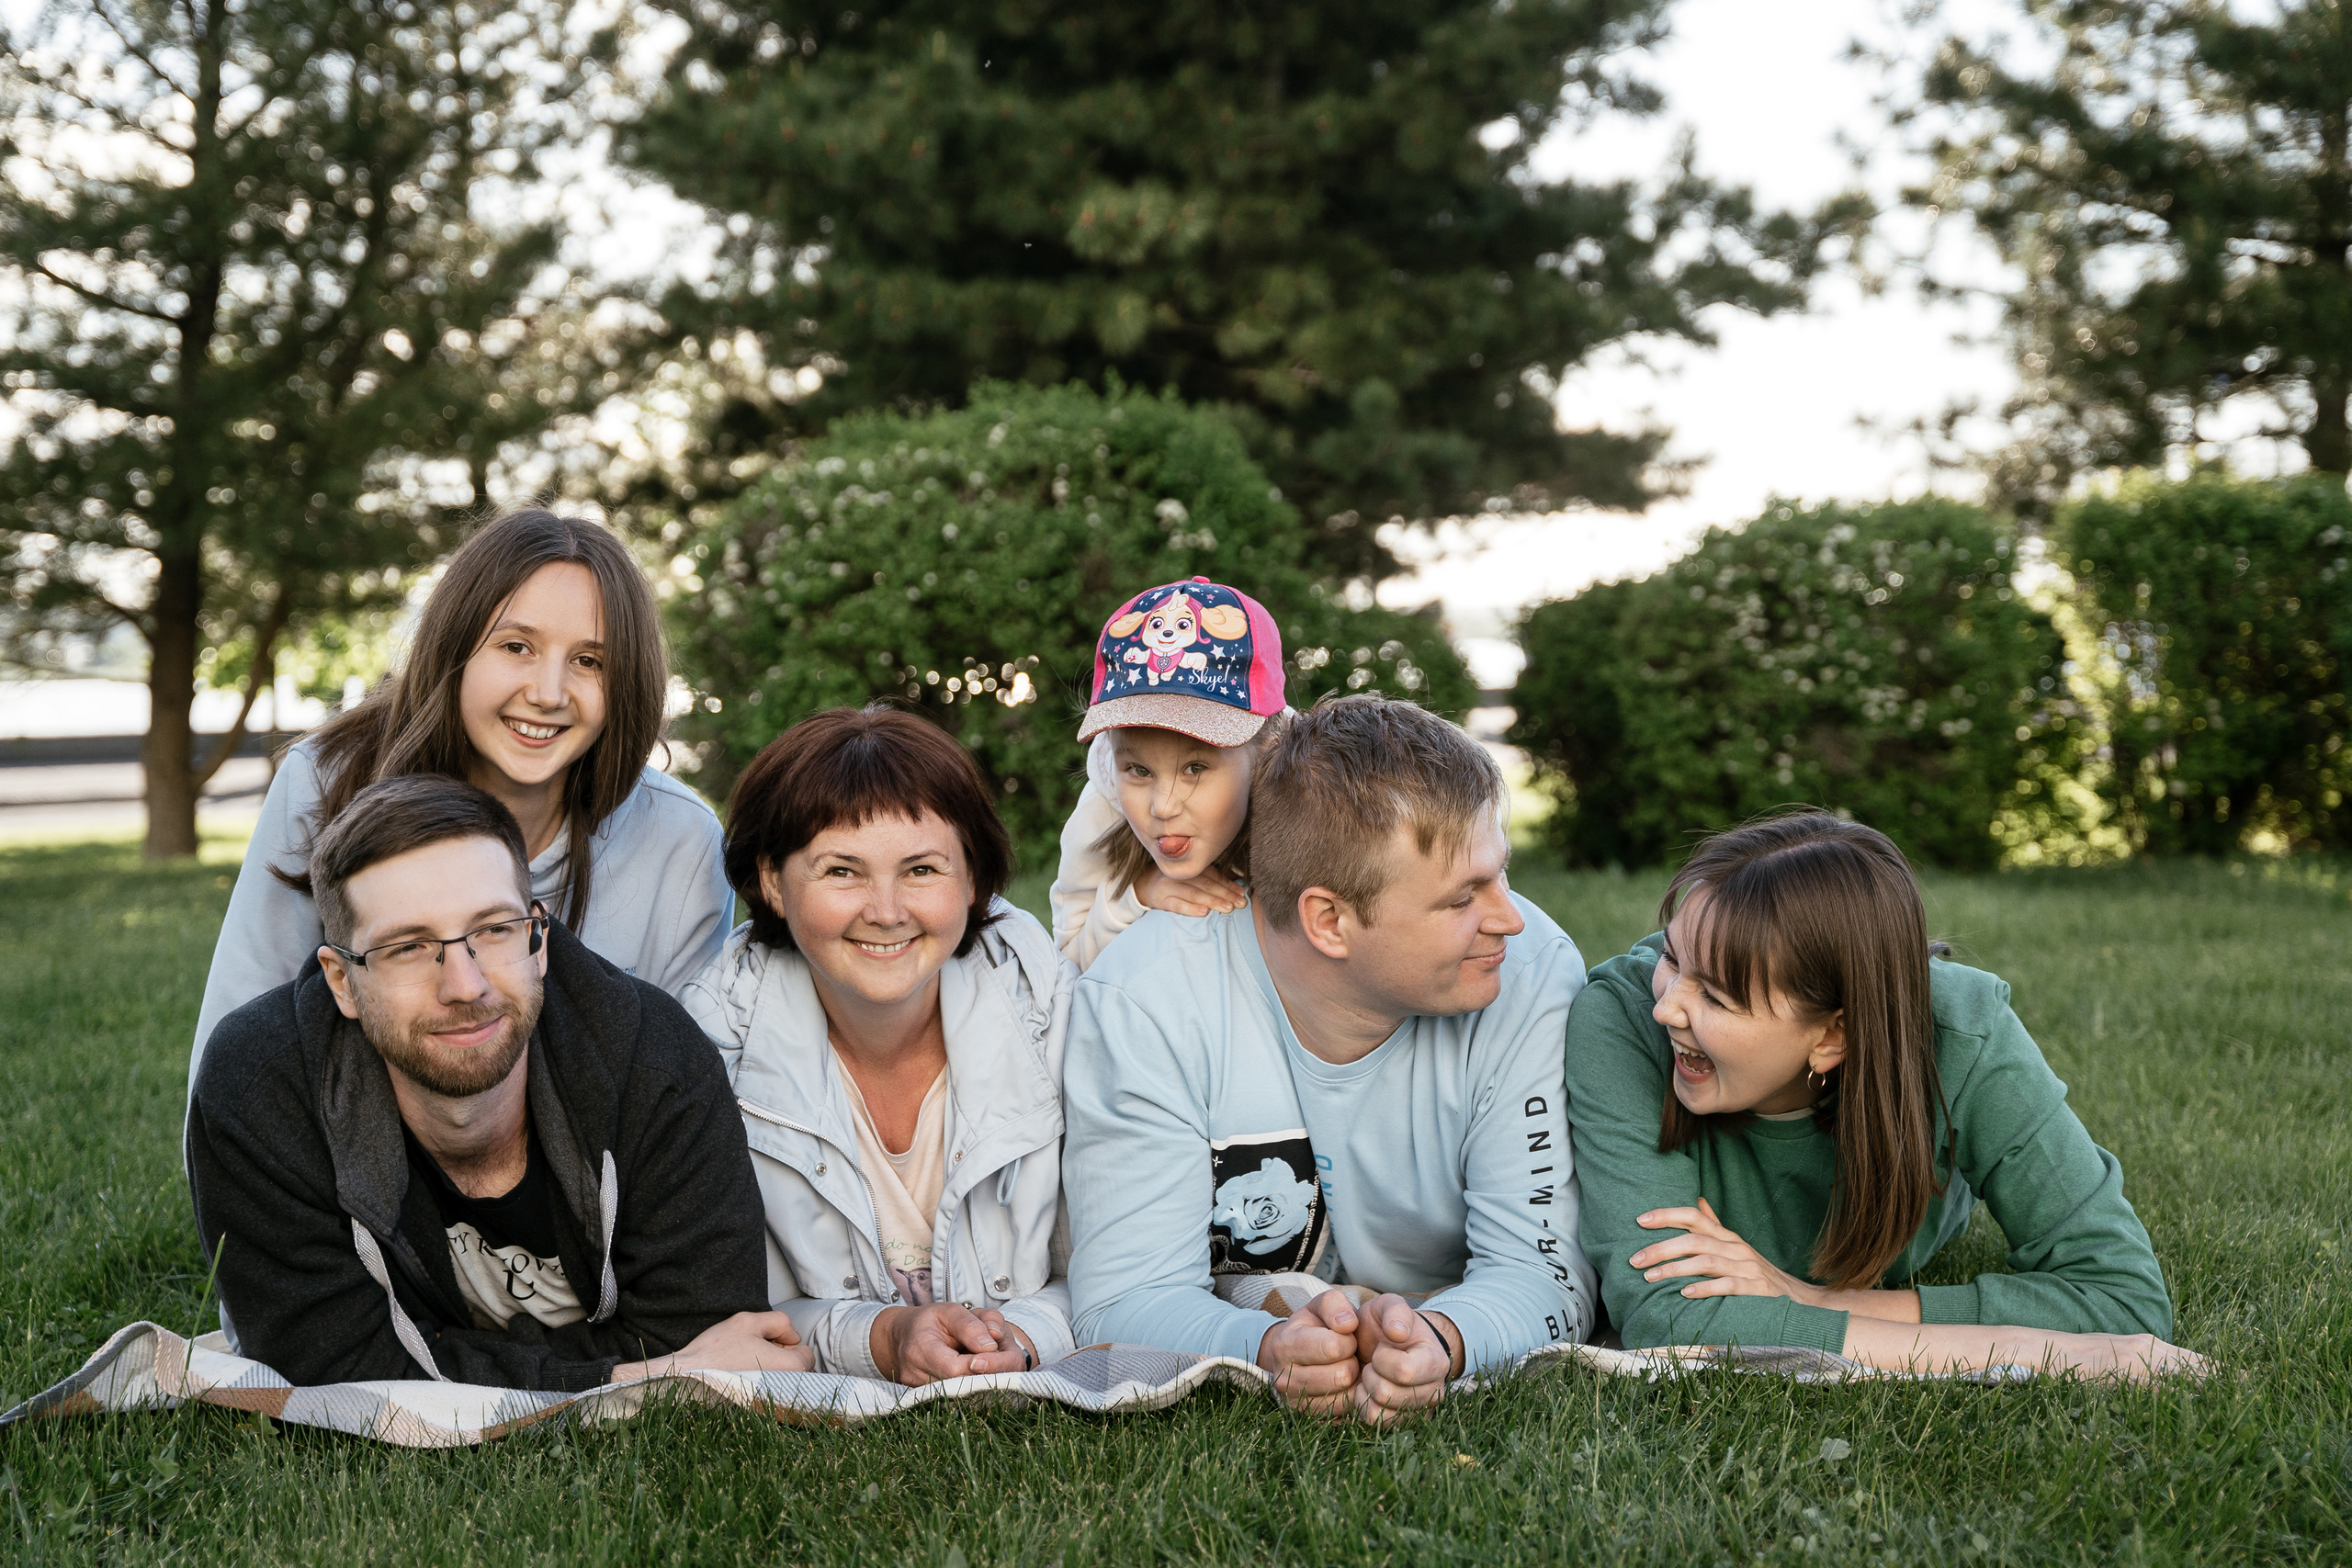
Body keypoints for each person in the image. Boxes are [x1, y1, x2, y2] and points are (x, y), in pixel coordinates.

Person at [1063, 695, 1596, 1425]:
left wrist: (1443, 1339)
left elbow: (1546, 1274)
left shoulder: (1529, 974)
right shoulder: (1141, 1000)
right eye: (1462, 897)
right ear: (1329, 920)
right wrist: (1270, 1347)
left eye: (1499, 874)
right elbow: (1123, 1300)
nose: (1508, 917)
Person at [187, 774, 802, 1389]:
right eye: (407, 946)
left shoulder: (655, 1059)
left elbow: (711, 1328)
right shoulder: (259, 1085)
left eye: (493, 930)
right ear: (342, 980)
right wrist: (639, 1373)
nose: (465, 985)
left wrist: (442, 1359)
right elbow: (330, 1368)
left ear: (538, 939)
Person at [1562, 809, 2207, 1380]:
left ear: (1833, 1035)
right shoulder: (1618, 1020)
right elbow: (1669, 1321)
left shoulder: (1964, 1034)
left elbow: (2124, 1299)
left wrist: (1810, 1300)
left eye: (1716, 996)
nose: (1666, 1007)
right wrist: (2022, 1347)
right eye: (1672, 959)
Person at [188, 509, 731, 1100]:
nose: (548, 694)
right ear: (456, 650)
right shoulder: (325, 781)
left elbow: (681, 1097)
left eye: (588, 661)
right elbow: (233, 1054)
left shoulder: (681, 839)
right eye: (517, 646)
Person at [684, 706, 1078, 1385]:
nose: (887, 909)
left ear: (974, 878)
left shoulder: (1050, 1006)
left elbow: (1121, 1258)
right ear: (774, 881)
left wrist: (1025, 1334)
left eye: (922, 869)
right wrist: (879, 1337)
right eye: (843, 871)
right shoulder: (712, 1042)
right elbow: (727, 1313)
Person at [1047, 576, 1288, 970]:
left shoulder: (1312, 800)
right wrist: (1136, 894)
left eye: (1195, 768)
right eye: (1138, 770)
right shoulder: (1099, 815)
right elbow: (1067, 965)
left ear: (1266, 750)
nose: (1162, 806)